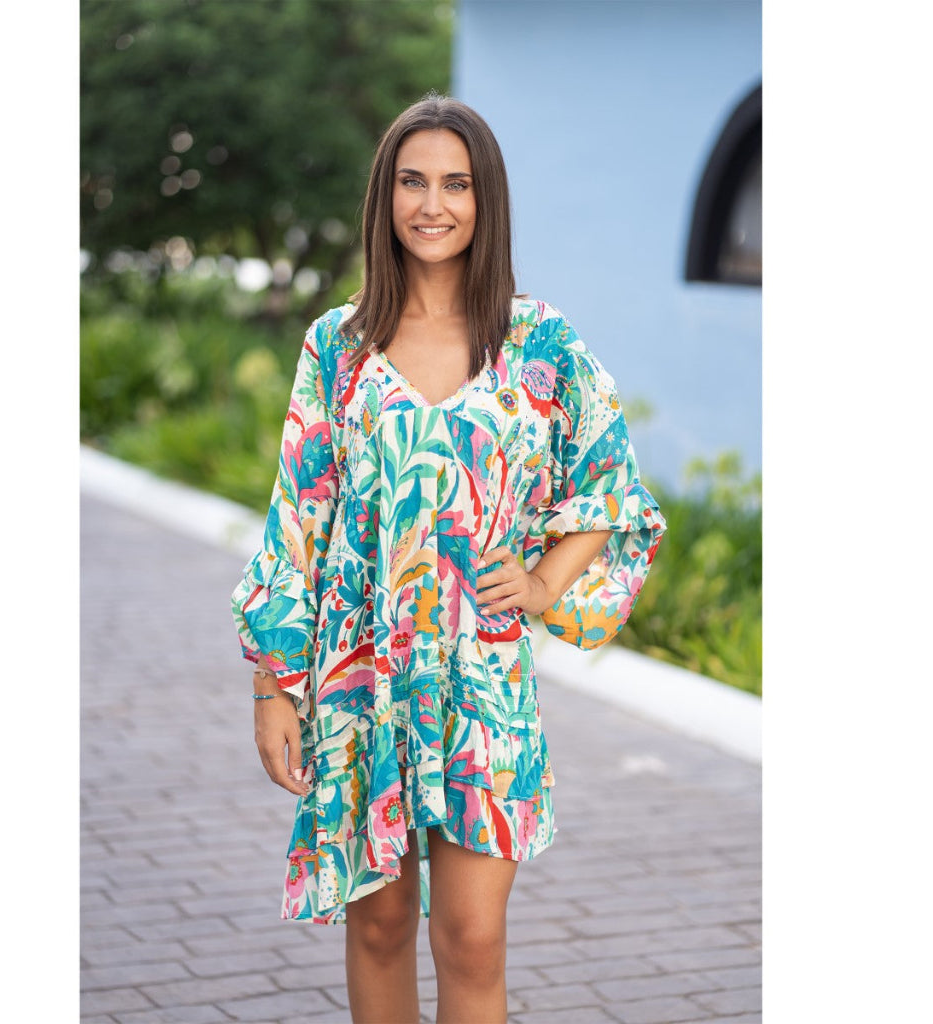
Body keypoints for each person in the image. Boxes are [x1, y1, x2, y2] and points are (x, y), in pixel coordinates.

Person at [231, 93, 666, 1024]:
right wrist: (274, 688)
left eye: (457, 184)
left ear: (486, 199)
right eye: (413, 180)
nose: (434, 204)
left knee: (471, 936)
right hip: (357, 677)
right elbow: (295, 524)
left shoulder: (539, 341)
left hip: (482, 682)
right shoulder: (338, 348)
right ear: (385, 197)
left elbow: (613, 486)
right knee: (380, 928)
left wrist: (547, 581)